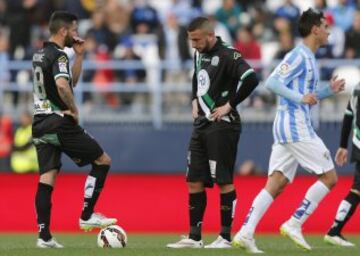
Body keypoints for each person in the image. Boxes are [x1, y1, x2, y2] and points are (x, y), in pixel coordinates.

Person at [232, 8, 345, 253]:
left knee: (277, 182)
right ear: (315, 30)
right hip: (295, 125)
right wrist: (300, 98)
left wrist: (329, 90)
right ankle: (295, 223)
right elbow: (272, 81)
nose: (328, 31)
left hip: (287, 126)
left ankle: (245, 232)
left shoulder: (310, 58)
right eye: (325, 27)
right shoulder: (298, 55)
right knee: (329, 177)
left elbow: (309, 96)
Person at [166, 16, 259, 249]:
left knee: (224, 181)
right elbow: (197, 77)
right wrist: (194, 99)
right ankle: (194, 237)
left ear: (210, 35)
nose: (193, 44)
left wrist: (230, 105)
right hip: (202, 123)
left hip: (223, 124)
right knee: (194, 180)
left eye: (196, 39)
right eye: (190, 40)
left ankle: (225, 238)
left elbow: (251, 79)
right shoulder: (199, 53)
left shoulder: (229, 55)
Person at [32, 11, 116, 248]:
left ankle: (44, 237)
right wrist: (74, 109)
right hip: (58, 121)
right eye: (74, 30)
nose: (76, 34)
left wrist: (79, 56)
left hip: (39, 123)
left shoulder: (40, 54)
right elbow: (62, 86)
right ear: (63, 31)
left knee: (47, 177)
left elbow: (71, 82)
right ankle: (87, 215)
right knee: (102, 160)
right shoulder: (58, 55)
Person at [324, 84, 360, 247]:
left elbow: (348, 114)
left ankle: (335, 230)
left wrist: (343, 145)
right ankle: (334, 230)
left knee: (357, 189)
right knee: (357, 189)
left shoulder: (357, 87)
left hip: (357, 142)